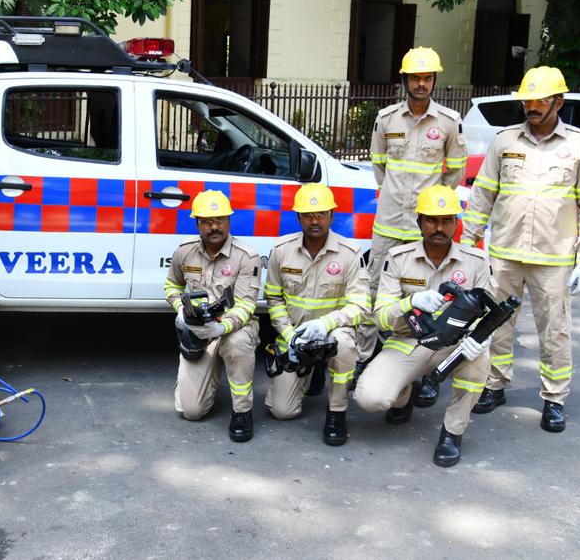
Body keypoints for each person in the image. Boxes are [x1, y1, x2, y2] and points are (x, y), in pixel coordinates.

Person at [462, 66, 580, 432]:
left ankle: (554, 398)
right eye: (527, 100)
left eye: (541, 100)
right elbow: (482, 197)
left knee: (555, 330)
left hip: (554, 259)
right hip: (505, 253)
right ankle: (494, 385)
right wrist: (467, 246)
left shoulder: (579, 145)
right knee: (496, 323)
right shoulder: (505, 141)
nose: (532, 106)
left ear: (559, 101)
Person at [354, 185, 493, 467]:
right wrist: (411, 302)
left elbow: (489, 312)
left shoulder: (475, 261)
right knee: (370, 399)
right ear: (419, 222)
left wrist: (482, 337)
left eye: (446, 220)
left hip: (455, 344)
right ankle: (404, 396)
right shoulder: (398, 258)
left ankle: (452, 433)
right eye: (431, 220)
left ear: (456, 222)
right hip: (409, 342)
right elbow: (380, 316)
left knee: (479, 359)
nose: (439, 227)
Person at [364, 47, 467, 407]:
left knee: (434, 300)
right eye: (415, 78)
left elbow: (453, 173)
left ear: (434, 80)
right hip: (390, 222)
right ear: (405, 80)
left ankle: (426, 374)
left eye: (427, 78)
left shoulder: (450, 122)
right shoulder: (386, 119)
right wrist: (395, 197)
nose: (421, 84)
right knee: (379, 293)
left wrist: (433, 213)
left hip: (430, 227)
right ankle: (378, 362)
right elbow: (380, 167)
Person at [264, 184, 371, 446]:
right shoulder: (281, 251)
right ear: (298, 217)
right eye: (308, 215)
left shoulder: (350, 254)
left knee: (344, 345)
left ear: (332, 216)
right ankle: (313, 369)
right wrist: (289, 335)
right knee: (282, 411)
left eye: (321, 214)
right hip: (296, 336)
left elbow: (361, 305)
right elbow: (274, 299)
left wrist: (327, 324)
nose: (315, 220)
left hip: (333, 333)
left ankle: (337, 411)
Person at [164, 190, 261, 442]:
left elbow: (246, 305)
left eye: (220, 220)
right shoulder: (184, 253)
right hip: (198, 331)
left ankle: (242, 411)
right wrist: (181, 311)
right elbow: (172, 286)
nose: (214, 226)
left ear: (229, 220)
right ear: (197, 223)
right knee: (192, 411)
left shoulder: (246, 257)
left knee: (237, 343)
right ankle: (203, 376)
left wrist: (221, 328)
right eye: (207, 221)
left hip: (234, 328)